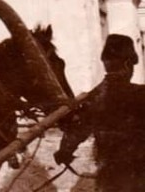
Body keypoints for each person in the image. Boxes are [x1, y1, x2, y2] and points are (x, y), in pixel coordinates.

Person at [55, 33, 145, 192]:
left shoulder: (94, 97)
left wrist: (64, 152)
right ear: (128, 64)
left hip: (109, 176)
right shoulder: (140, 94)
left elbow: (77, 130)